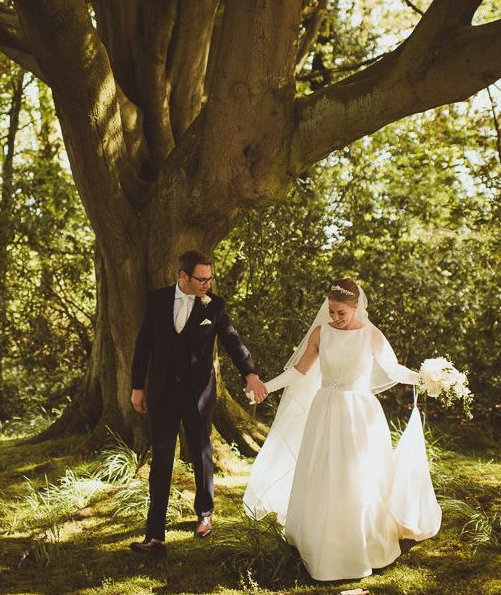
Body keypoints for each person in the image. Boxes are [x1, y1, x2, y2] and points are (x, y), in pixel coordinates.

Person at [243, 278, 441, 581]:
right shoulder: (321, 334)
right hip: (326, 410)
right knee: (325, 473)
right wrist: (266, 388)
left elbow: (393, 370)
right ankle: (322, 543)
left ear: (355, 307)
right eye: (331, 312)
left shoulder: (371, 335)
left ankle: (361, 542)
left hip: (361, 413)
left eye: (340, 313)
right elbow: (298, 371)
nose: (334, 318)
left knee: (360, 475)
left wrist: (426, 378)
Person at [129, 249, 267, 555]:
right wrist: (137, 386)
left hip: (199, 393)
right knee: (161, 459)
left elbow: (233, 341)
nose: (207, 284)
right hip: (162, 392)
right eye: (200, 279)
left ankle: (204, 513)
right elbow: (143, 345)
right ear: (183, 276)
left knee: (201, 452)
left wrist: (251, 374)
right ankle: (155, 535)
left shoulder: (215, 305)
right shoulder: (157, 300)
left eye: (209, 278)